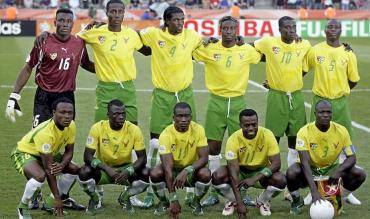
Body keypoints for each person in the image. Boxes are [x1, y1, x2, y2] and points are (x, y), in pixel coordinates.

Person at [5, 8, 94, 211]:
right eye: (61, 20)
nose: (64, 23)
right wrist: (14, 95)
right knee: (39, 146)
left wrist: (113, 68)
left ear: (73, 23)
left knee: (63, 144)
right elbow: (28, 67)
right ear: (55, 22)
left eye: (68, 21)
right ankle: (35, 193)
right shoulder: (43, 41)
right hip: (44, 98)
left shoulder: (79, 43)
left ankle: (63, 196)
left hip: (66, 99)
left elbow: (87, 64)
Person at [139, 6, 205, 206]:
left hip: (185, 93)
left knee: (192, 140)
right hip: (162, 95)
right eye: (175, 20)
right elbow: (133, 37)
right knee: (155, 143)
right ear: (166, 21)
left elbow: (206, 44)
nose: (180, 23)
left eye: (182, 19)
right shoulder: (153, 34)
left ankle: (192, 194)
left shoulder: (192, 36)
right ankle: (152, 191)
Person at [192, 16, 262, 207]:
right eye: (226, 28)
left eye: (232, 28)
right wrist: (205, 41)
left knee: (242, 148)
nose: (229, 31)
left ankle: (242, 190)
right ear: (220, 29)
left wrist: (245, 42)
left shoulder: (246, 50)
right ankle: (215, 190)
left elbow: (262, 54)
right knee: (213, 148)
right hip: (216, 102)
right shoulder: (210, 49)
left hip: (239, 103)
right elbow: (190, 51)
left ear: (237, 29)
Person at [305, 19, 361, 205]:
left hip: (340, 102)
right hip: (319, 101)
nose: (333, 30)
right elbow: (303, 69)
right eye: (330, 26)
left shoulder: (348, 53)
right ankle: (313, 188)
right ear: (325, 30)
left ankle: (345, 190)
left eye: (336, 27)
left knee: (345, 144)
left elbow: (353, 80)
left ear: (341, 30)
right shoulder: (315, 50)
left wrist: (340, 91)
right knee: (315, 143)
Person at [286, 100, 366, 215]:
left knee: (360, 174)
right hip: (311, 168)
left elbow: (352, 158)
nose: (325, 115)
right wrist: (313, 191)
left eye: (328, 112)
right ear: (315, 113)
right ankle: (296, 201)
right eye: (321, 112)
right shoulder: (304, 132)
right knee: (292, 172)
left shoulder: (341, 130)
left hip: (330, 168)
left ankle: (337, 197)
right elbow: (304, 162)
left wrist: (338, 171)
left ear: (332, 113)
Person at [254, 16, 311, 174]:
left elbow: (304, 68)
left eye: (293, 27)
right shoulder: (268, 42)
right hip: (276, 96)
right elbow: (249, 48)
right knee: (273, 138)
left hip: (296, 97)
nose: (291, 30)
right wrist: (274, 77)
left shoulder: (304, 44)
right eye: (287, 27)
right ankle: (270, 177)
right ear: (279, 29)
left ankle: (291, 182)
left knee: (296, 139)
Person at [11, 98, 80, 219]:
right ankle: (23, 206)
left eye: (70, 113)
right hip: (25, 152)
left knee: (74, 169)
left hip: (48, 153)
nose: (67, 116)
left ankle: (49, 203)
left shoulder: (72, 125)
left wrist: (63, 165)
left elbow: (69, 151)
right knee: (39, 177)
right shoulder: (45, 133)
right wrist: (58, 198)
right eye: (62, 112)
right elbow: (49, 170)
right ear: (54, 113)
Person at [78, 99, 150, 215]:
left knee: (146, 174)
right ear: (108, 115)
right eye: (116, 114)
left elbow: (142, 158)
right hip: (103, 170)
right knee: (84, 171)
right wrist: (107, 169)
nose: (121, 117)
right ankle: (94, 198)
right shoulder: (97, 127)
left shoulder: (134, 129)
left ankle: (125, 197)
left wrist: (128, 171)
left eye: (123, 114)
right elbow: (87, 156)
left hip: (125, 170)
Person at [212, 109, 286, 217]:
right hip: (240, 171)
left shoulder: (267, 134)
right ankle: (234, 201)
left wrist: (255, 178)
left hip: (260, 171)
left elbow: (276, 164)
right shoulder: (233, 140)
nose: (251, 128)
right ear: (240, 125)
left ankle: (261, 201)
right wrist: (240, 203)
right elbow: (233, 174)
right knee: (217, 176)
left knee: (281, 179)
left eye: (254, 124)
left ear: (257, 123)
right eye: (247, 125)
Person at [149, 102, 211, 217]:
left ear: (191, 117)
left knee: (206, 173)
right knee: (155, 173)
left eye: (187, 116)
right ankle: (164, 202)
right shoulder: (166, 134)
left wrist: (187, 170)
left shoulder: (198, 129)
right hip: (172, 170)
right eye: (180, 116)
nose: (183, 119)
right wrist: (174, 199)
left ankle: (195, 202)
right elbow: (168, 169)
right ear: (173, 118)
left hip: (191, 170)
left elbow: (204, 158)